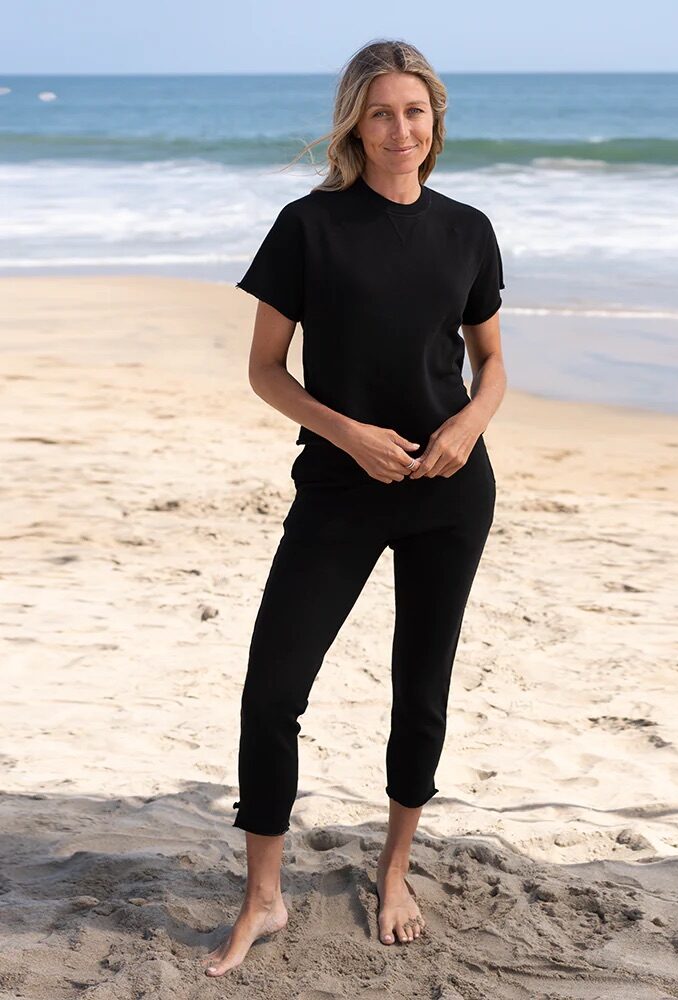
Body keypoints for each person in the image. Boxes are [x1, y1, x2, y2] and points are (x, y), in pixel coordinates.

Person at [203, 38, 507, 976]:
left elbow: (491, 363)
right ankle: (265, 896)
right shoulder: (309, 226)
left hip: (450, 491)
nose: (399, 130)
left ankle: (396, 868)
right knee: (272, 690)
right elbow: (264, 372)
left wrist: (466, 428)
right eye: (381, 113)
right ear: (355, 123)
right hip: (340, 487)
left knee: (422, 688)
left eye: (414, 112)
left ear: (435, 122)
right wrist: (349, 434)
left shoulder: (469, 229)